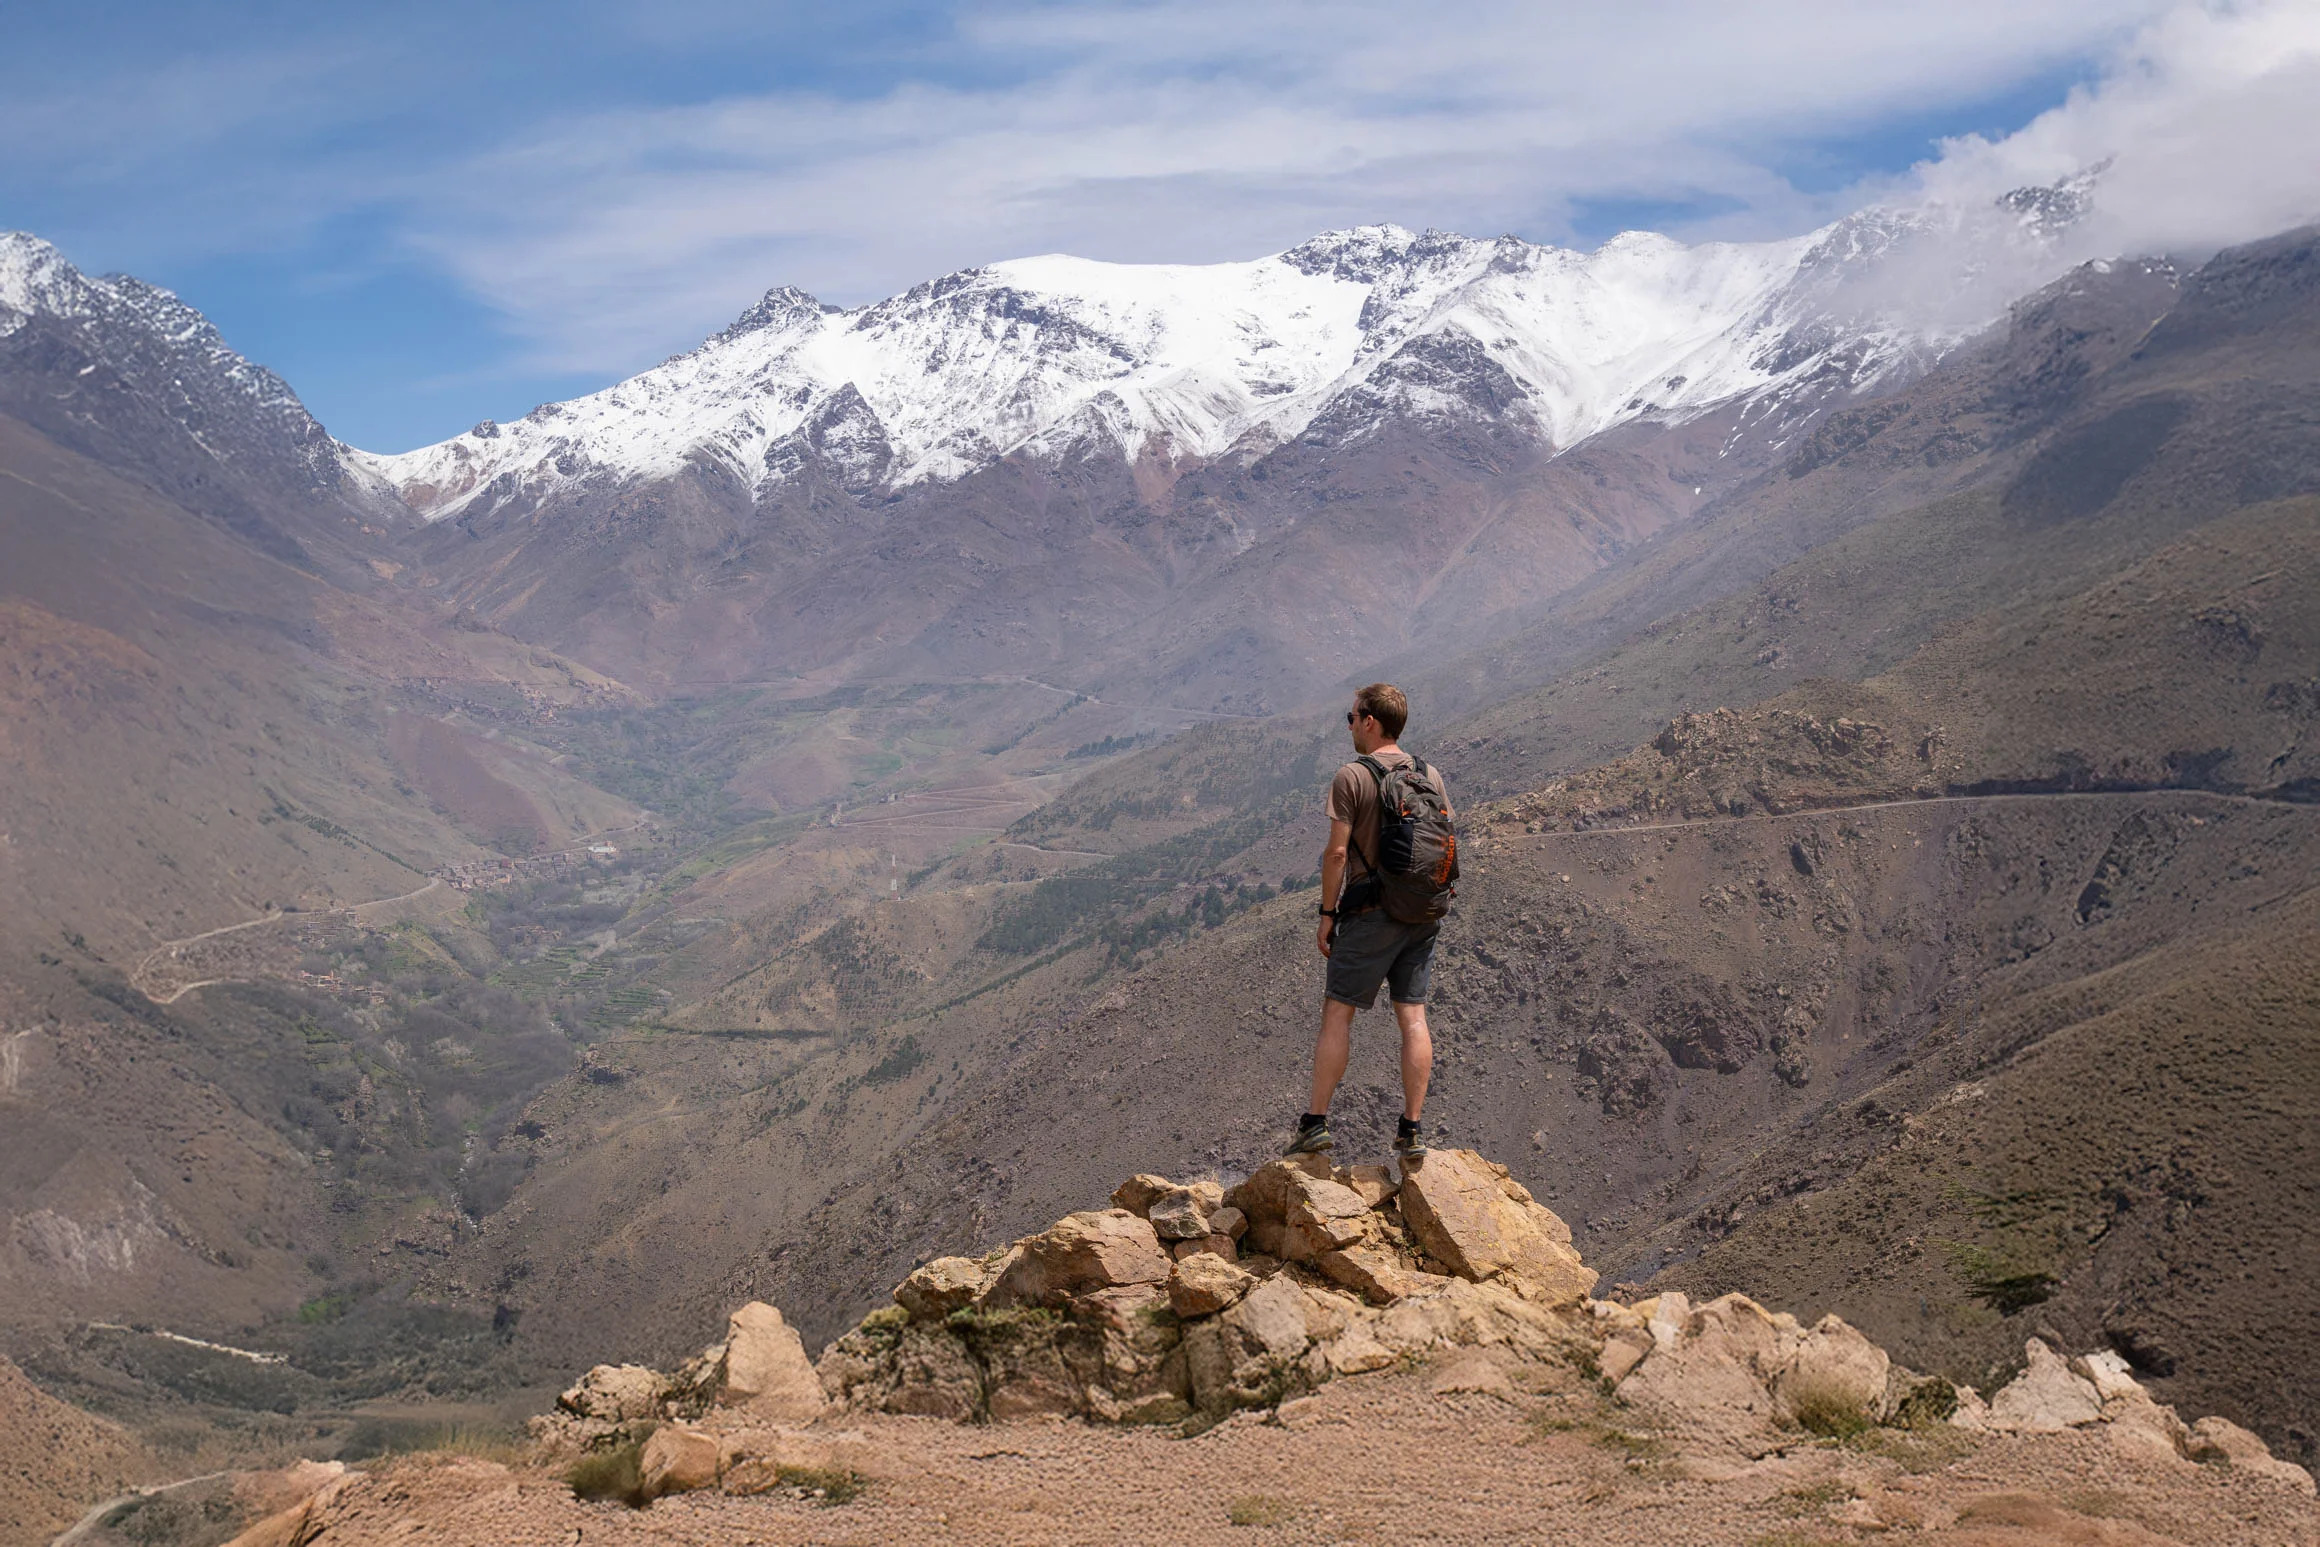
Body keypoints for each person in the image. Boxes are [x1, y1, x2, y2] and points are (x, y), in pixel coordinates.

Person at [1287, 682, 1450, 1160]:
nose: (1350, 724)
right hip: (1423, 912)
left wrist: (1326, 913)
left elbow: (1337, 853)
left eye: (1352, 717)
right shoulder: (1430, 774)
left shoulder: (1352, 777)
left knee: (1338, 1011)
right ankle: (1412, 1130)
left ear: (1371, 721)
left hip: (1370, 912)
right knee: (1413, 1017)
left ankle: (1315, 1123)